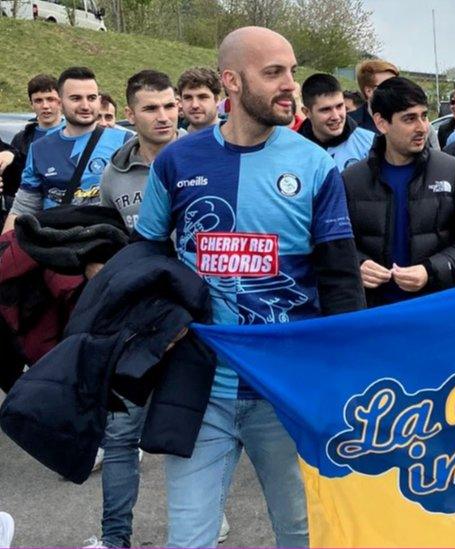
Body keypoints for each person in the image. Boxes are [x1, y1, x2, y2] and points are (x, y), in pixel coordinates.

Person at [134, 26, 365, 548]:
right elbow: (145, 255)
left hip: (283, 389)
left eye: (291, 69)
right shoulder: (177, 161)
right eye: (274, 73)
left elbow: (340, 280)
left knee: (301, 532)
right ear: (231, 82)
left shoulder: (313, 164)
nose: (290, 84)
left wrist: (340, 375)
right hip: (200, 386)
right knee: (188, 538)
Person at [80, 70, 181, 549]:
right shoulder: (114, 174)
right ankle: (114, 537)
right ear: (130, 114)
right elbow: (106, 242)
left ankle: (199, 520)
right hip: (136, 323)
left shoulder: (205, 157)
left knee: (196, 431)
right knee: (120, 434)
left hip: (196, 319)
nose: (163, 116)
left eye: (169, 105)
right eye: (151, 108)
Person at [342, 77, 455, 307]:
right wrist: (358, 264)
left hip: (438, 311)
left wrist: (432, 270)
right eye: (409, 119)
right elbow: (332, 245)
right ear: (381, 123)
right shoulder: (350, 181)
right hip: (373, 315)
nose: (422, 127)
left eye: (424, 116)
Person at [4, 67, 130, 234]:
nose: (85, 105)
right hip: (56, 246)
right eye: (76, 98)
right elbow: (22, 209)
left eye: (91, 98)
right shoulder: (39, 149)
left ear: (99, 101)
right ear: (61, 102)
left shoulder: (126, 142)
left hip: (108, 243)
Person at [0, 74, 63, 201]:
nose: (45, 106)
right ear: (31, 104)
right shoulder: (21, 138)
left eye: (50, 99)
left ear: (60, 101)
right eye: (38, 100)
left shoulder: (73, 134)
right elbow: (14, 183)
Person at [297, 73, 374, 170]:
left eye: (340, 106)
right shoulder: (293, 151)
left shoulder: (370, 143)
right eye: (325, 110)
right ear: (307, 112)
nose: (336, 116)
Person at [348, 59, 399, 133]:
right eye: (387, 86)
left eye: (397, 84)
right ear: (369, 91)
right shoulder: (348, 125)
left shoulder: (407, 121)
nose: (396, 90)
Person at [177, 67, 221, 133]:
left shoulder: (235, 137)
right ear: (181, 102)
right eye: (188, 98)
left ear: (216, 100)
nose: (195, 105)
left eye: (202, 97)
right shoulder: (175, 139)